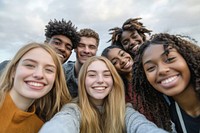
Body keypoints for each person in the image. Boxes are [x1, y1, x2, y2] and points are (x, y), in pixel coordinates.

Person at [39, 56, 168, 133]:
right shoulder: (72, 110)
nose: (100, 80)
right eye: (92, 75)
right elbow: (60, 125)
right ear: (82, 81)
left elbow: (142, 126)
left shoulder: (125, 111)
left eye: (106, 75)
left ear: (114, 80)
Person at [133, 33, 200, 133]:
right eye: (151, 68)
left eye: (170, 59)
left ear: (187, 59)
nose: (162, 70)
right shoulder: (165, 118)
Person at [0, 42, 71, 133]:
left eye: (49, 70)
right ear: (13, 70)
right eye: (29, 65)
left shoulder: (40, 127)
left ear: (55, 80)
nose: (39, 75)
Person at [0, 18, 80, 73]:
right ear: (46, 43)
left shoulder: (65, 79)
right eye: (57, 43)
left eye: (68, 47)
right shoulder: (8, 67)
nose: (62, 48)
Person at [63, 28, 100, 97]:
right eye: (81, 46)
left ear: (96, 50)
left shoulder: (103, 76)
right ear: (75, 48)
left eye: (91, 47)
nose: (86, 51)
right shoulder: (62, 73)